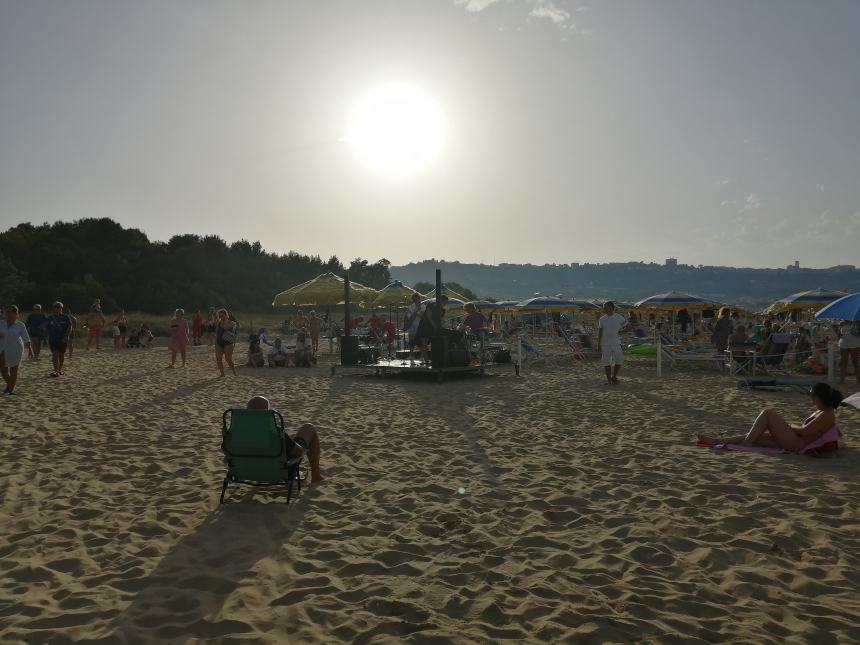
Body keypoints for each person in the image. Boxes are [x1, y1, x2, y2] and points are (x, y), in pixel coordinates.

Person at [698, 382, 843, 451]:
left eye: (811, 395)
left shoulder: (827, 414)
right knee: (756, 435)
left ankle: (745, 445)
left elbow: (805, 431)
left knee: (768, 413)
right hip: (795, 439)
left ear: (819, 397)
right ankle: (715, 441)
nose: (810, 398)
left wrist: (789, 426)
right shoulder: (822, 411)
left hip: (798, 443)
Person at [245, 395, 322, 481]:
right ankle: (316, 477)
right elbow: (297, 452)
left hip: (248, 472)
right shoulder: (274, 432)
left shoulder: (237, 433)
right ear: (267, 413)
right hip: (279, 472)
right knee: (309, 428)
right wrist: (294, 444)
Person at [0, 305, 33, 394]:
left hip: (16, 348)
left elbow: (26, 338)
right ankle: (10, 384)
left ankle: (11, 390)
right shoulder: (1, 323)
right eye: (7, 312)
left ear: (16, 314)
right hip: (2, 348)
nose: (8, 314)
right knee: (3, 370)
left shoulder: (20, 325)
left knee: (13, 369)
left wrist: (30, 349)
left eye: (11, 312)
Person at [597, 301, 629, 385]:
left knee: (619, 360)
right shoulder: (602, 319)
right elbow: (600, 332)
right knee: (606, 362)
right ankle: (609, 380)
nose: (603, 309)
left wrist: (622, 332)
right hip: (605, 344)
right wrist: (598, 344)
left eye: (605, 307)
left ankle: (614, 376)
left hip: (616, 343)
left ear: (611, 308)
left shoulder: (619, 317)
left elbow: (629, 326)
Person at [45, 302, 73, 377]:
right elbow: (46, 327)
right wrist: (46, 336)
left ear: (61, 308)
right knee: (55, 354)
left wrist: (66, 336)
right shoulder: (50, 318)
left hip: (63, 339)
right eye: (56, 307)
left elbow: (70, 327)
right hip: (53, 339)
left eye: (59, 307)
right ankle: (56, 371)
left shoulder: (65, 317)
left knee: (61, 355)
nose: (57, 308)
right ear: (53, 308)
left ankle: (60, 369)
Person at [215, 308, 238, 376]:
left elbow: (235, 334)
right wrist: (215, 343)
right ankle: (222, 374)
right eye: (219, 316)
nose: (221, 317)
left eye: (222, 316)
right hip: (219, 342)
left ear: (226, 315)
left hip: (228, 343)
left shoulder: (232, 323)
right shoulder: (219, 323)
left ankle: (234, 372)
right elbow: (217, 333)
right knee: (218, 358)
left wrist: (234, 343)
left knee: (228, 359)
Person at [836, 320, 860, 385]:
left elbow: (858, 334)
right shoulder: (841, 322)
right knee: (843, 362)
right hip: (843, 343)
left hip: (855, 344)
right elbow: (838, 335)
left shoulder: (858, 321)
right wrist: (840, 326)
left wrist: (853, 330)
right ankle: (842, 380)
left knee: (855, 362)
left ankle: (858, 379)